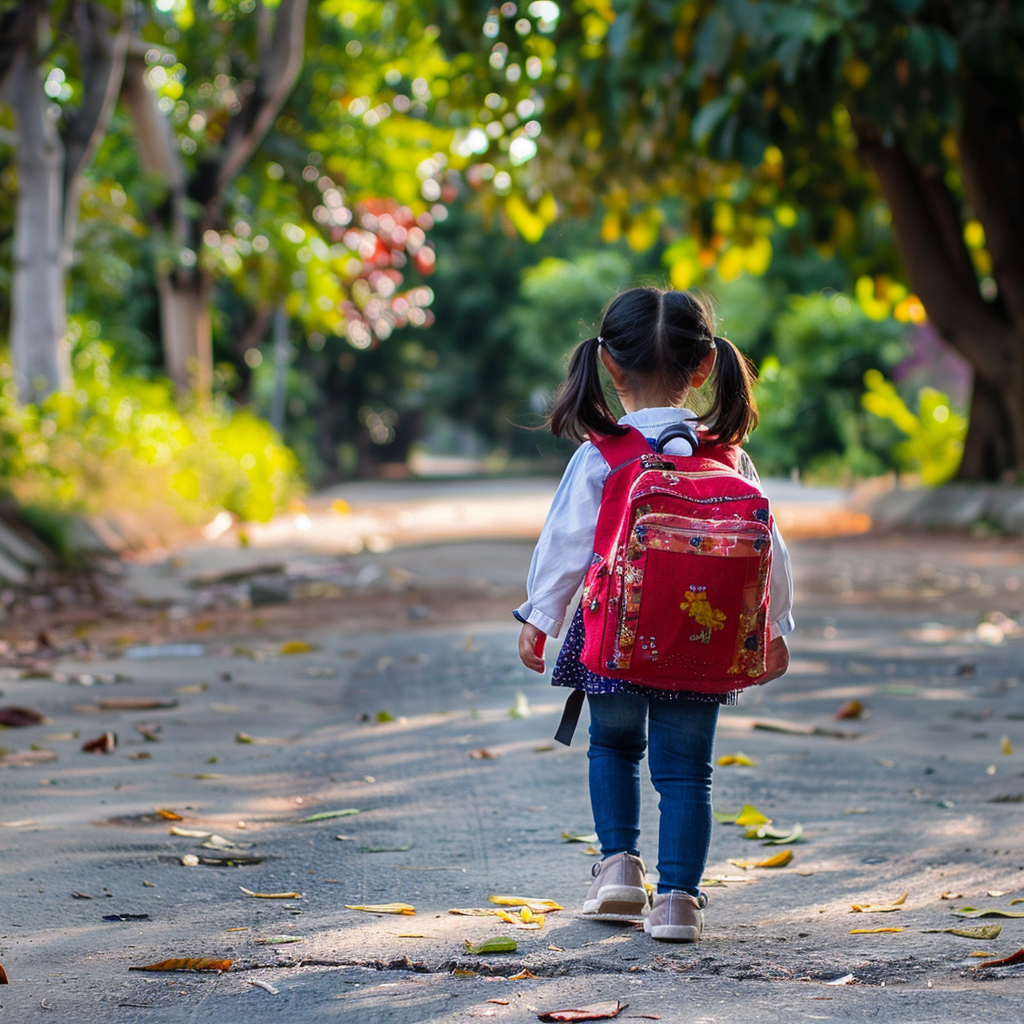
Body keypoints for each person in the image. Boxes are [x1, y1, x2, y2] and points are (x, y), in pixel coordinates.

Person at [514, 286, 794, 943]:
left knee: (611, 746)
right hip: (705, 643)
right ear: (705, 369)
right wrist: (776, 628)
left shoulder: (602, 454)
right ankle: (677, 903)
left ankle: (616, 868)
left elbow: (565, 544)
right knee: (687, 773)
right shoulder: (727, 454)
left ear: (609, 367)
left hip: (614, 634)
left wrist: (541, 615)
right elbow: (768, 546)